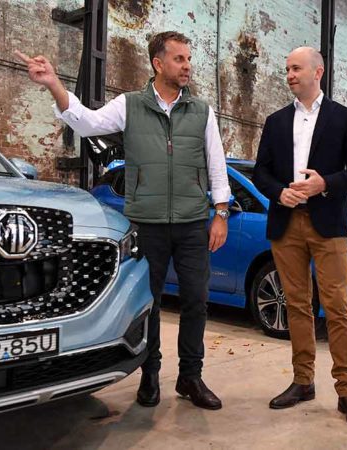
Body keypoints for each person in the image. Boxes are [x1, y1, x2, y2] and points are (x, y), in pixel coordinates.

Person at [15, 31, 230, 411]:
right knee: (148, 302)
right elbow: (85, 122)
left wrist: (221, 213)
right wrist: (53, 84)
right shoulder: (129, 105)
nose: (187, 66)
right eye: (179, 59)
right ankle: (149, 374)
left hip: (193, 222)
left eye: (188, 59)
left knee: (196, 300)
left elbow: (216, 165)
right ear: (158, 63)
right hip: (146, 223)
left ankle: (191, 377)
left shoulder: (202, 111)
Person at [252, 47, 347, 428]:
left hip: (327, 225)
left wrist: (325, 184)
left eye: (296, 68)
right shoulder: (275, 121)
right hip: (286, 225)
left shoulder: (343, 118)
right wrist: (278, 192)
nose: (289, 74)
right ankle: (303, 381)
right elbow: (261, 173)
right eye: (286, 68)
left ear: (317, 71)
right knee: (297, 305)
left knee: (337, 306)